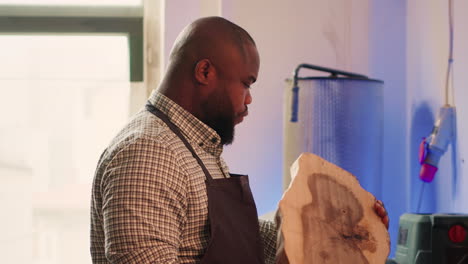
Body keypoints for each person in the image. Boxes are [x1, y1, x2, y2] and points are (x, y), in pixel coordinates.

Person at [90, 16, 389, 264]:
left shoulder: (195, 146)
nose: (249, 99)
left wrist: (337, 227)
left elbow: (234, 239)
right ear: (205, 71)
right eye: (246, 83)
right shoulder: (148, 154)